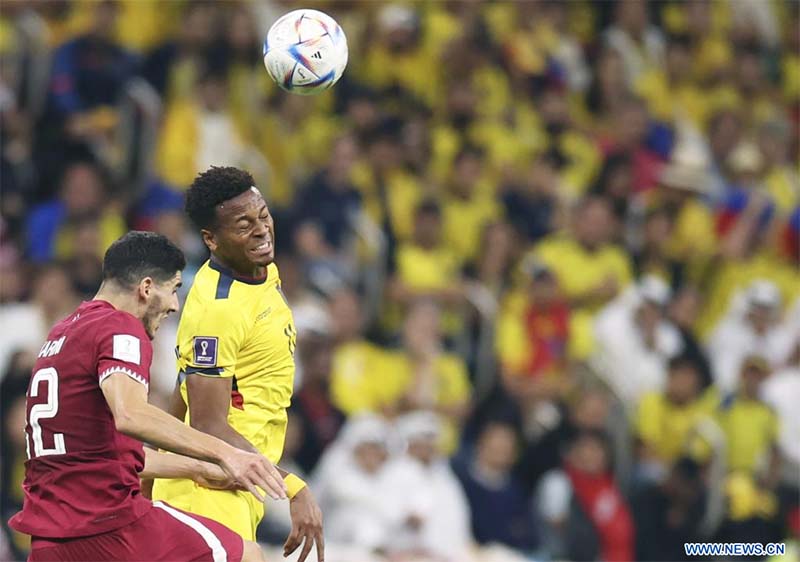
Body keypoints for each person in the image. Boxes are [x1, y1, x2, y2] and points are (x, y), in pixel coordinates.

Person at [9, 231, 286, 562]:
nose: (175, 305)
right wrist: (228, 454)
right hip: (111, 528)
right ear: (146, 288)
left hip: (50, 542)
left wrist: (196, 468)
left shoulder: (62, 334)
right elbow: (131, 414)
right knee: (247, 555)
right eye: (174, 289)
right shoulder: (119, 327)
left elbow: (101, 456)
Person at [151, 166, 324, 561]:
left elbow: (184, 390)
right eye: (244, 225)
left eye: (263, 216)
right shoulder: (219, 309)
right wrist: (292, 487)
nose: (262, 231)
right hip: (206, 492)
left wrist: (151, 478)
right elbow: (207, 424)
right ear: (211, 239)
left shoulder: (262, 272)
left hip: (240, 484)